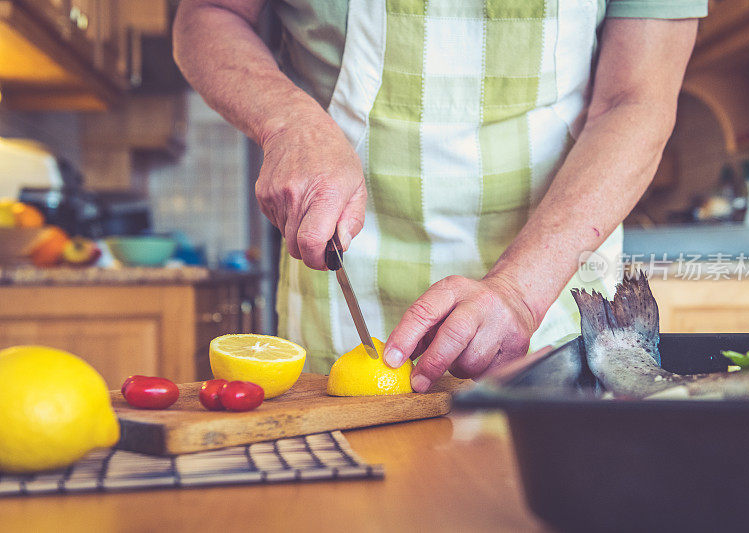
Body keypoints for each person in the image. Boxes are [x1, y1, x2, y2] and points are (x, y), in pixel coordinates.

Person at [174, 0, 706, 392]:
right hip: (341, 292)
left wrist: (520, 293)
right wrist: (288, 124)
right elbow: (208, 12)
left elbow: (636, 101)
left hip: (554, 291)